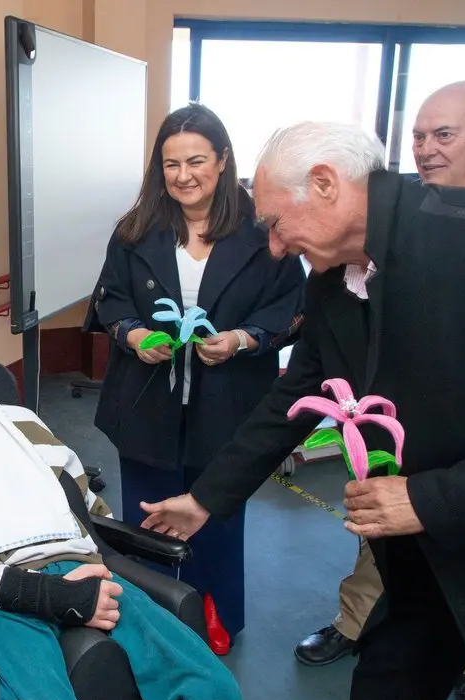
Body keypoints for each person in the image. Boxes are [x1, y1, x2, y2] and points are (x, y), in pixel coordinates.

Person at [141, 120, 465, 700]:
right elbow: (295, 395)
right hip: (428, 557)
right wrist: (207, 497)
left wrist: (430, 498)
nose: (274, 247)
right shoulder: (333, 281)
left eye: (275, 223)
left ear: (324, 184)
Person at [0, 305, 243, 700]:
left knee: (214, 689)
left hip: (84, 569)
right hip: (3, 599)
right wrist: (52, 596)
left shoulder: (17, 418)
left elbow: (83, 501)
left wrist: (98, 557)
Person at [294, 83, 465, 700]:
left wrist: (431, 496)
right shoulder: (378, 239)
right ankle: (354, 624)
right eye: (418, 137)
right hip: (408, 486)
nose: (426, 149)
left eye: (443, 135)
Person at [83, 103, 306, 653]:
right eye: (171, 164)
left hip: (229, 402)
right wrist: (134, 335)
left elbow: (292, 307)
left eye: (197, 161)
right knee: (146, 513)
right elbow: (109, 298)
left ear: (224, 160)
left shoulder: (263, 232)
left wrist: (243, 339)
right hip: (145, 401)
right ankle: (147, 611)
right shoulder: (135, 230)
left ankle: (215, 609)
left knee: (218, 510)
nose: (184, 176)